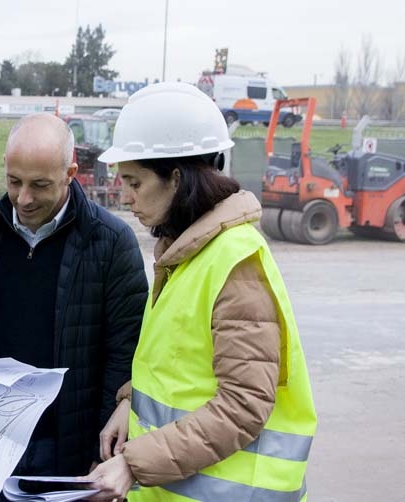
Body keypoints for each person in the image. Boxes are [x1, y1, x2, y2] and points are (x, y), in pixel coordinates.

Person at [84, 82, 317, 501]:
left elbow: (244, 404)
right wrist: (129, 403)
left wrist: (134, 462)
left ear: (176, 178)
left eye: (135, 183)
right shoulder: (186, 253)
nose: (125, 197)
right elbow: (178, 366)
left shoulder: (233, 262)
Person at [0, 113, 148, 480]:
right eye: (14, 181)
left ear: (70, 174)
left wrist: (99, 456)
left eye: (39, 185)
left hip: (67, 445)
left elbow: (125, 355)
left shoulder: (112, 243)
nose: (24, 198)